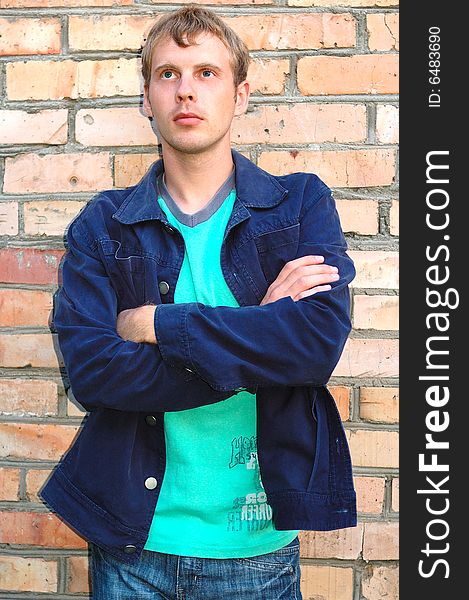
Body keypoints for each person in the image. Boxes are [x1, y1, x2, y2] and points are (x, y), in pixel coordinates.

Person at [41, 5, 357, 599]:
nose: (186, 90)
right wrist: (260, 332)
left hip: (257, 547)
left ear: (241, 95)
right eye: (168, 74)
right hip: (133, 547)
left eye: (207, 73)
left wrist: (159, 324)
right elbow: (93, 373)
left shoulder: (298, 207)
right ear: (146, 98)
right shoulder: (104, 226)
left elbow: (313, 348)